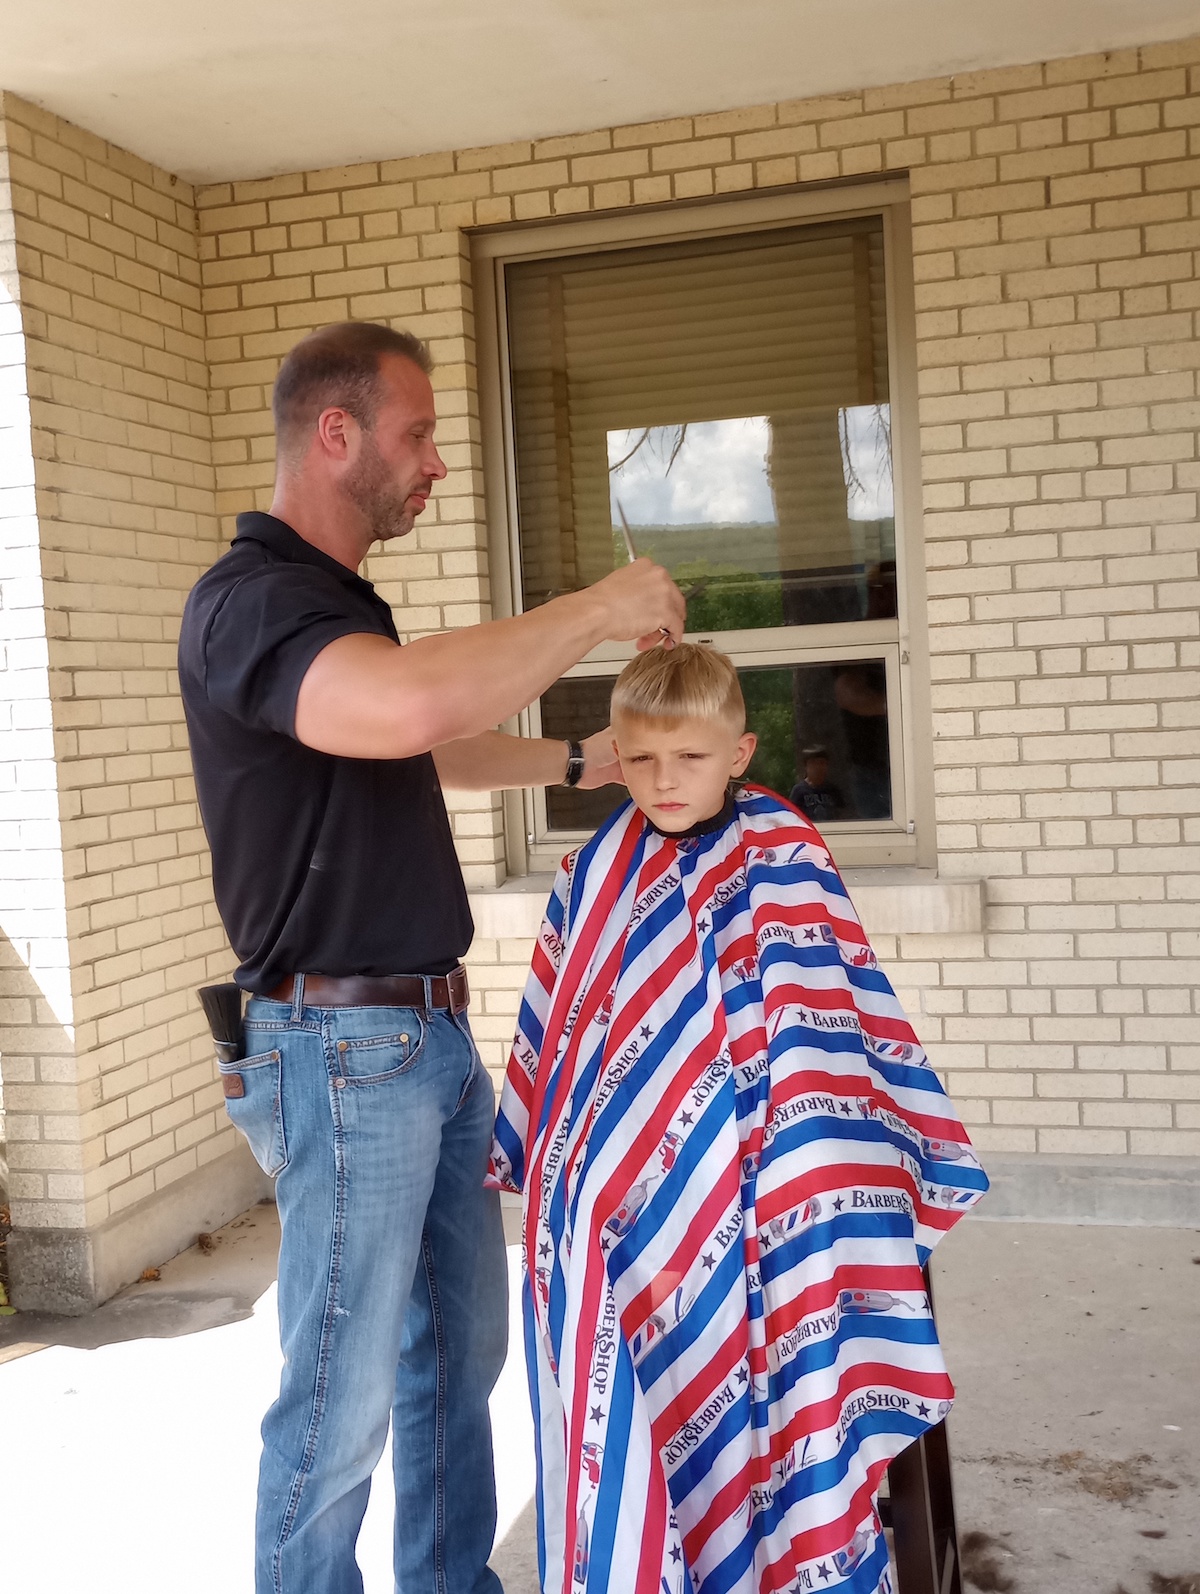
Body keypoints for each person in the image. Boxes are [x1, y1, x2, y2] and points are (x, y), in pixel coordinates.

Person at [177, 320, 686, 1594]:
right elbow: (408, 705)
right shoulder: (249, 604)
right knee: (337, 1399)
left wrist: (581, 763)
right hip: (341, 1052)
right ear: (334, 433)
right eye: (419, 434)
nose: (438, 463)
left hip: (430, 1042)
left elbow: (412, 736)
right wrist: (600, 608)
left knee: (458, 1359)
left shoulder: (338, 609)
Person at [489, 643, 986, 1594]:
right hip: (638, 1189)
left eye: (690, 758)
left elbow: (823, 1038)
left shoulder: (786, 854)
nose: (664, 781)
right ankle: (646, 1545)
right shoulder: (597, 869)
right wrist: (570, 1170)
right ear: (614, 754)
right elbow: (565, 1036)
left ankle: (784, 1540)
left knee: (791, 1247)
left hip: (786, 1164)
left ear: (740, 752)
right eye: (640, 760)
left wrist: (770, 1159)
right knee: (588, 1252)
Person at [789, 745, 845, 825]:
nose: (818, 767)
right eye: (813, 763)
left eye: (821, 763)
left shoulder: (833, 790)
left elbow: (842, 814)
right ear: (806, 766)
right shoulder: (799, 791)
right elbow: (793, 816)